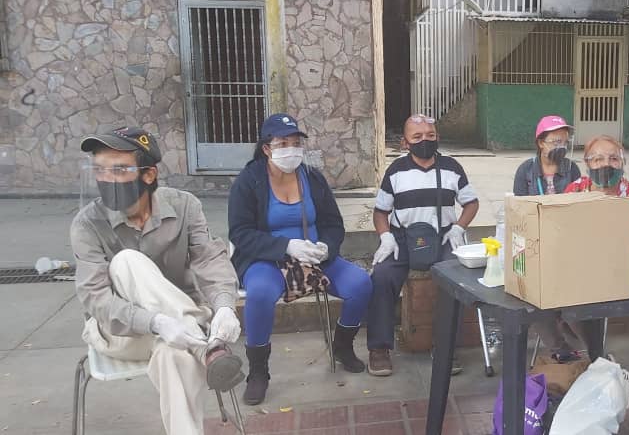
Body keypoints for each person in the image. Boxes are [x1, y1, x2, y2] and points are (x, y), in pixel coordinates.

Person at [71, 127, 244, 435]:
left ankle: (194, 348)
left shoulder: (184, 206)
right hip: (122, 333)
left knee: (173, 354)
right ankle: (206, 349)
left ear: (148, 175)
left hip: (181, 334)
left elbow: (209, 259)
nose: (107, 179)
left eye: (119, 169)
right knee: (126, 262)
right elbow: (96, 299)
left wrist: (225, 306)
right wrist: (157, 322)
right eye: (100, 170)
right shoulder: (87, 223)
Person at [228, 113, 373, 405]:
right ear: (267, 148)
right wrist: (286, 246)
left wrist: (326, 247)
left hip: (315, 256)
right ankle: (258, 372)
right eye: (283, 143)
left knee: (360, 284)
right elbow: (240, 233)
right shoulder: (249, 181)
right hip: (266, 259)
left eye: (296, 143)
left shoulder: (313, 178)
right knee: (258, 294)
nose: (291, 150)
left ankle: (342, 347)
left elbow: (334, 224)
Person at [367, 114, 480, 376]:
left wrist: (459, 227)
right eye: (417, 137)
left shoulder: (452, 167)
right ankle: (379, 348)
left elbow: (471, 202)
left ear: (437, 137)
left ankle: (445, 348)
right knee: (382, 277)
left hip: (443, 236)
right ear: (405, 142)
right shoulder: (396, 171)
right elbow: (380, 211)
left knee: (455, 281)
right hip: (403, 238)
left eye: (430, 135)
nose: (424, 141)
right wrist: (385, 236)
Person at [528, 134, 629, 362]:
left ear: (623, 164)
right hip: (574, 269)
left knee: (577, 294)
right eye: (597, 159)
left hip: (616, 273)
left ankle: (597, 356)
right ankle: (562, 349)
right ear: (587, 164)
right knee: (531, 290)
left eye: (614, 159)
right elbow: (559, 230)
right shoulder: (577, 189)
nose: (606, 164)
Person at [512, 115, 582, 196]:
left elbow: (577, 201)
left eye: (565, 142)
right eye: (557, 142)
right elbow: (519, 203)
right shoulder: (526, 170)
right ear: (541, 143)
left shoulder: (572, 168)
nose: (562, 147)